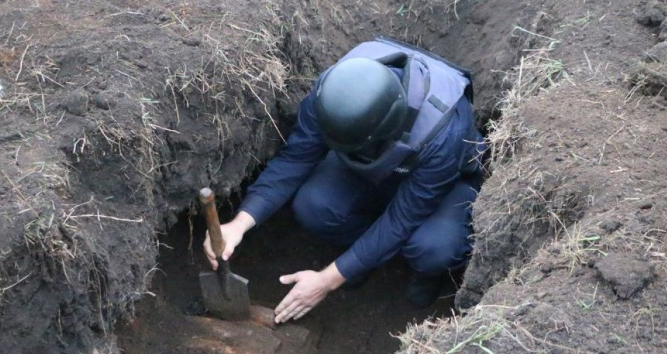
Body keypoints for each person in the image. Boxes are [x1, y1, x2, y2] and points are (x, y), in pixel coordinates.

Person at [204, 37, 485, 324]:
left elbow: (402, 219)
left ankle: (425, 275)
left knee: (434, 248)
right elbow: (295, 159)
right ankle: (359, 258)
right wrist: (239, 224)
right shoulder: (332, 94)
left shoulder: (443, 133)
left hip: (438, 187)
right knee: (315, 205)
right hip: (369, 165)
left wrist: (327, 279)